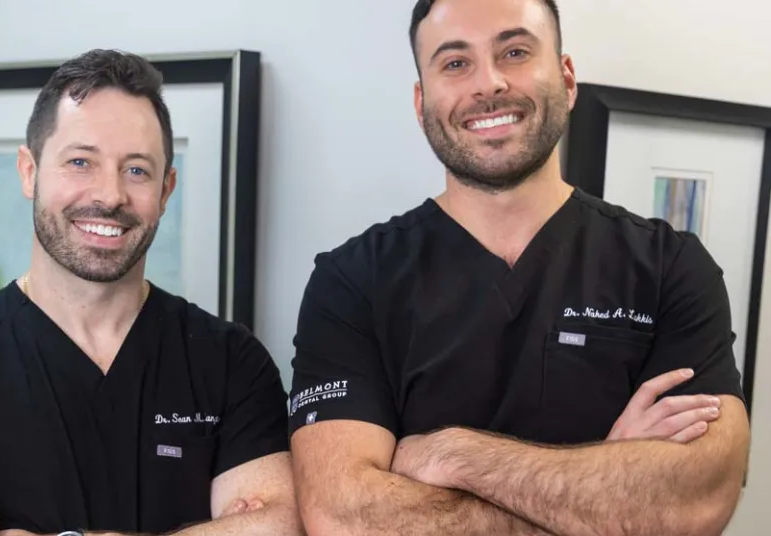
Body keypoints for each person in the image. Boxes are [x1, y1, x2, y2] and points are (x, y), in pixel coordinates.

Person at [287, 0, 751, 535]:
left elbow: (697, 499)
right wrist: (608, 481)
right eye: (455, 63)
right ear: (421, 103)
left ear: (567, 77)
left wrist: (451, 455)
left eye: (514, 51)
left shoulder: (670, 266)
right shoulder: (351, 282)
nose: (489, 84)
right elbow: (345, 517)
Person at [0, 49, 302, 536]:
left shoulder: (231, 363)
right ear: (29, 171)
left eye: (136, 170)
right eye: (80, 162)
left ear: (166, 189)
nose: (110, 195)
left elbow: (281, 525)